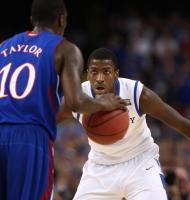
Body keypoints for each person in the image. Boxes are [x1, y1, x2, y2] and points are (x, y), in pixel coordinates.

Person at [0, 1, 127, 199]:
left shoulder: (3, 47)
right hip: (30, 138)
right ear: (62, 19)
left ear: (32, 19)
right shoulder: (65, 49)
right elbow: (75, 102)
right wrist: (104, 102)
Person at [69, 48, 190, 200]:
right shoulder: (77, 98)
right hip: (100, 167)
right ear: (88, 74)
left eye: (106, 72)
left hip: (141, 163)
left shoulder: (137, 93)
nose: (99, 78)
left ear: (116, 74)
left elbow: (179, 123)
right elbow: (47, 120)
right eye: (94, 72)